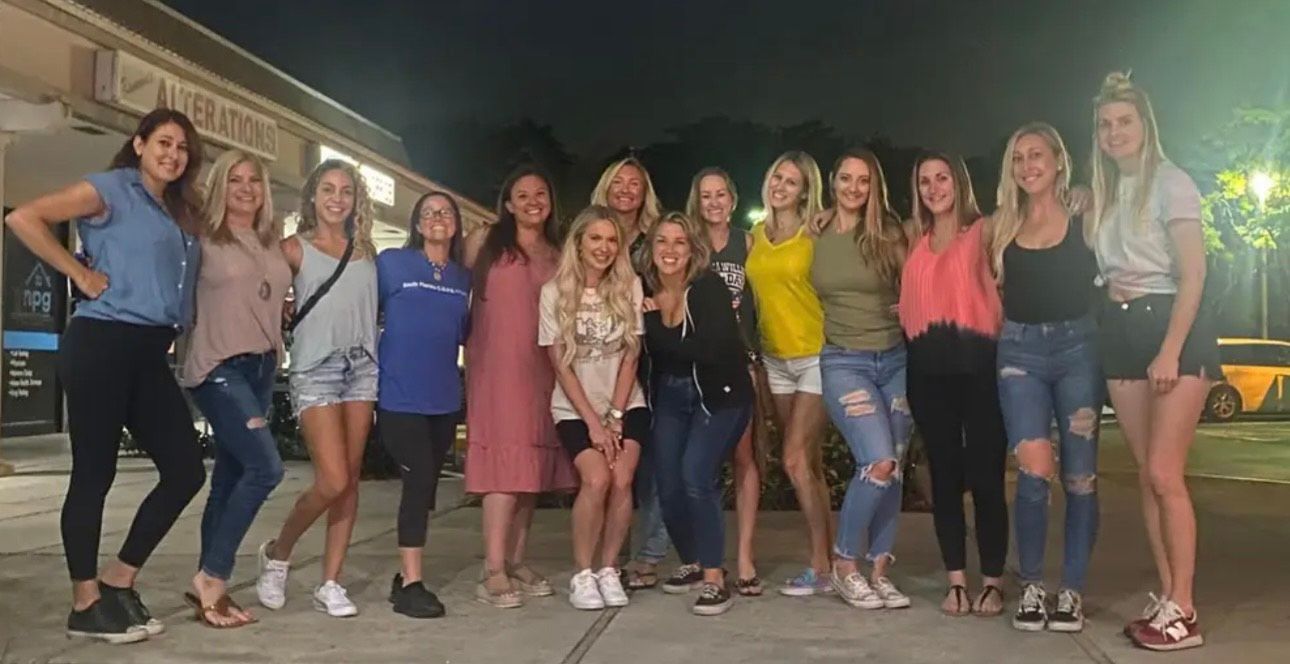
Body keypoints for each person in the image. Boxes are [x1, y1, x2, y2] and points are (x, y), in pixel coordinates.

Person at [4, 109, 206, 643]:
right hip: (102, 342)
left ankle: (118, 580)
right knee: (95, 473)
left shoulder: (176, 210)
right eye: (164, 142)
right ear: (139, 144)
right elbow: (24, 218)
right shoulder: (110, 189)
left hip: (148, 351)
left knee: (186, 469)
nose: (173, 154)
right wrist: (79, 273)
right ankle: (85, 603)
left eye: (182, 147)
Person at [1090, 73, 1218, 652]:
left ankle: (1185, 610)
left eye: (1125, 121)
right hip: (1121, 330)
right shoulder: (1105, 192)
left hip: (1170, 328)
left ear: (1146, 126)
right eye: (1105, 125)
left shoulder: (1172, 183)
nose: (1115, 132)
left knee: (1166, 474)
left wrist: (1169, 348)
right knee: (1146, 474)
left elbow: (1194, 273)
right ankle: (1168, 596)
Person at [988, 123, 1102, 633]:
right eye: (1018, 158)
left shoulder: (1086, 214)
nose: (1027, 165)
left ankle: (1071, 590)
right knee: (1033, 474)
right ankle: (1033, 585)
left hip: (1078, 348)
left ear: (1058, 160)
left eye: (1036, 155)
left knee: (1080, 478)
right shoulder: (1002, 224)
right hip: (1020, 353)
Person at [255, 159, 379, 618]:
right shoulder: (293, 249)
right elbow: (259, 293)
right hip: (316, 368)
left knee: (350, 481)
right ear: (312, 196)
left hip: (362, 367)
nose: (337, 199)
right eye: (328, 189)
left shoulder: (366, 251)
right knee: (332, 480)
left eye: (346, 191)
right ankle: (279, 553)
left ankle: (331, 581)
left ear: (356, 199)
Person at [180, 150, 291, 628]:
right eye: (235, 180)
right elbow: (179, 299)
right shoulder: (201, 238)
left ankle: (206, 583)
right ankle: (213, 575)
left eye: (254, 180)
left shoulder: (271, 240)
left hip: (261, 366)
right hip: (218, 366)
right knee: (266, 469)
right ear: (219, 186)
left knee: (230, 477)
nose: (246, 188)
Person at [899, 152, 1008, 617]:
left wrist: (1078, 195)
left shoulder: (986, 230)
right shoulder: (913, 237)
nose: (934, 188)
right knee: (943, 478)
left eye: (942, 178)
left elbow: (1030, 211)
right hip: (927, 372)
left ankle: (993, 581)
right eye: (924, 181)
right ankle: (957, 581)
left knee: (985, 478)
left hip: (981, 369)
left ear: (959, 182)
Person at [464, 166, 577, 608]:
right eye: (523, 195)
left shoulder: (559, 253)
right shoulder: (484, 242)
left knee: (531, 466)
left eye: (540, 193)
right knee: (503, 466)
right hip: (497, 368)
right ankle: (492, 568)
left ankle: (515, 560)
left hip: (543, 369)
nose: (533, 201)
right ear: (508, 203)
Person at [810, 148, 913, 610]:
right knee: (878, 462)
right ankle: (844, 564)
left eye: (863, 180)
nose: (854, 188)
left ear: (875, 187)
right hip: (844, 361)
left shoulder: (889, 233)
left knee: (895, 467)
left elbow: (917, 281)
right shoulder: (815, 230)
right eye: (846, 178)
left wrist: (910, 304)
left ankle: (879, 572)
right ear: (833, 181)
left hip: (894, 360)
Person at [641, 212, 753, 616]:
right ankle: (692, 559)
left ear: (693, 250)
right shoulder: (644, 287)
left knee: (695, 475)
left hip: (720, 395)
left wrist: (654, 325)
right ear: (651, 249)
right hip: (671, 393)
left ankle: (714, 578)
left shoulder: (709, 287)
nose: (670, 250)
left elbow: (709, 349)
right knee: (668, 482)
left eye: (680, 242)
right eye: (662, 241)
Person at [538, 205, 647, 610]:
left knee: (621, 478)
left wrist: (615, 417)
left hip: (625, 402)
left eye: (612, 240)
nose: (604, 247)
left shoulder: (629, 286)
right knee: (597, 479)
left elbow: (631, 357)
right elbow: (560, 365)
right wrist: (594, 424)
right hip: (574, 407)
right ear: (579, 243)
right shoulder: (554, 292)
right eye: (595, 238)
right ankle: (583, 573)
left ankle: (608, 568)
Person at [375, 191, 471, 619]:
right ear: (416, 224)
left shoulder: (463, 277)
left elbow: (467, 332)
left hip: (444, 398)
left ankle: (406, 572)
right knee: (417, 481)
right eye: (429, 212)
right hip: (400, 396)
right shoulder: (392, 263)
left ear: (456, 224)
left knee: (427, 486)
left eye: (445, 212)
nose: (437, 217)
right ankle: (410, 584)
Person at [744, 151, 835, 596]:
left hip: (817, 355)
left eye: (792, 182)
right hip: (775, 360)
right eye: (777, 177)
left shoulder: (816, 232)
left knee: (795, 459)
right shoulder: (755, 237)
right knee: (809, 464)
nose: (781, 186)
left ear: (805, 191)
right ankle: (832, 558)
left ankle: (821, 567)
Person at [686, 167, 764, 596]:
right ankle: (707, 554)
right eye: (705, 195)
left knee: (744, 456)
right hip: (699, 364)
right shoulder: (690, 244)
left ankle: (745, 555)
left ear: (733, 200)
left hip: (739, 361)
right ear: (696, 202)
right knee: (703, 463)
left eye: (721, 194)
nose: (713, 202)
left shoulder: (746, 242)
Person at [590, 156, 663, 269]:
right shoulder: (587, 234)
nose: (625, 190)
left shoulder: (656, 239)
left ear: (645, 193)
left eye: (634, 184)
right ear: (606, 188)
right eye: (617, 182)